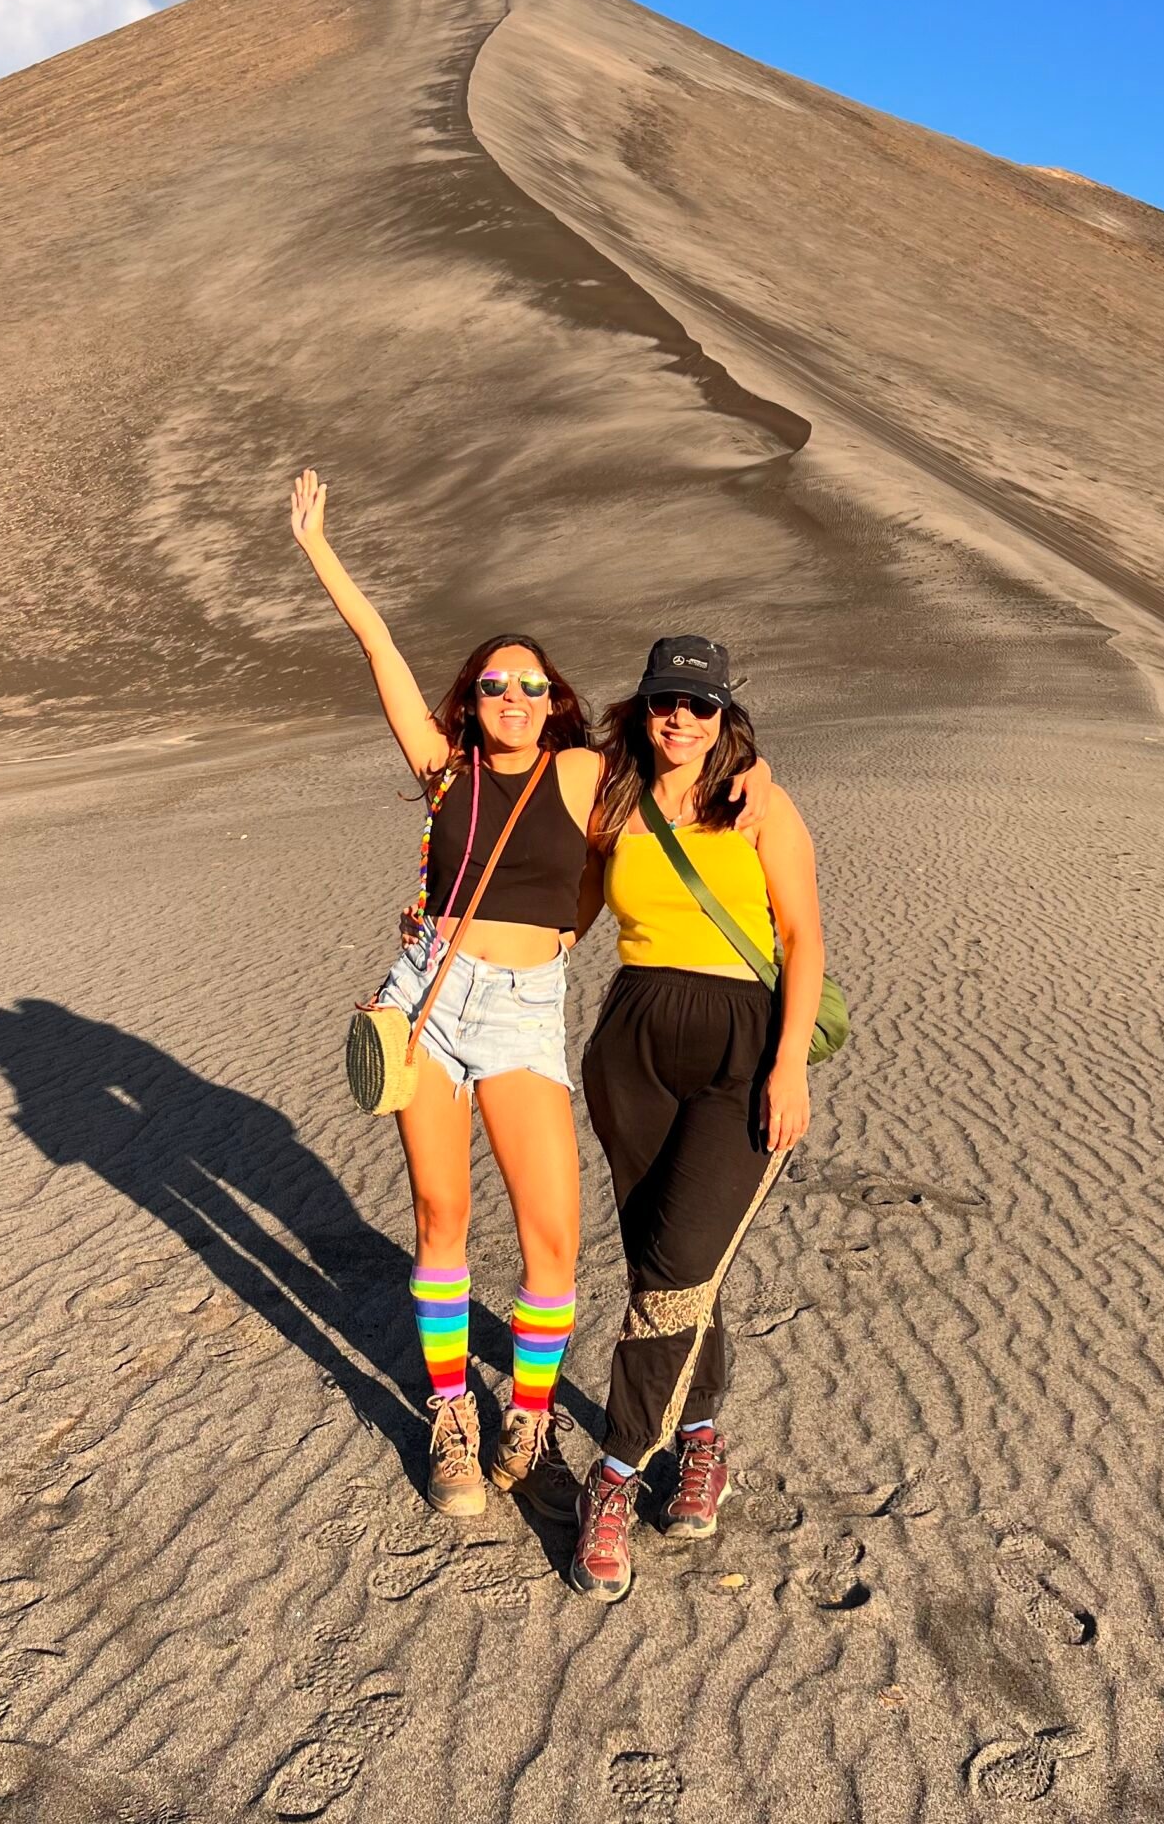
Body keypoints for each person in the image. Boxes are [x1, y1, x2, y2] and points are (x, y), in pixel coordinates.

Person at [289, 477, 772, 1525]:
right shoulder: (442, 768)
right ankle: (452, 1414)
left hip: (522, 1006)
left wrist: (761, 775)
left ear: (555, 700)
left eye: (531, 685)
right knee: (440, 1216)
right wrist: (321, 550)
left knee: (552, 1237)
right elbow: (379, 649)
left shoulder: (585, 774)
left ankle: (532, 1416)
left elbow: (686, 755)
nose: (512, 697)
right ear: (471, 700)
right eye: (494, 684)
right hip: (427, 998)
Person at [568, 635, 826, 1603]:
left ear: (726, 716)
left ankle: (615, 1470)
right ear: (642, 708)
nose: (680, 718)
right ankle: (703, 1439)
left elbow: (803, 936)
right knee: (669, 1264)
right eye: (664, 701)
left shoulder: (759, 805)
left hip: (740, 1048)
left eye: (700, 704)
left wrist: (789, 1065)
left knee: (677, 1265)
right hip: (630, 1047)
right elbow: (567, 919)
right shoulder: (615, 804)